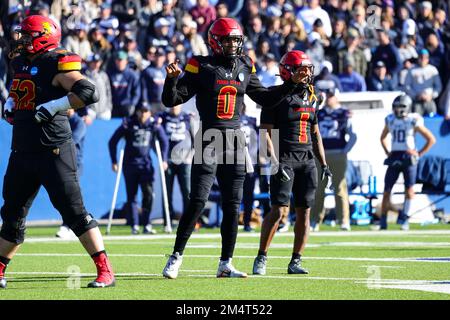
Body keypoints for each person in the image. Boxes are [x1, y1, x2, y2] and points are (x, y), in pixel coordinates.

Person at [161, 17, 306, 279]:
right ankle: (176, 256)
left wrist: (291, 84)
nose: (232, 45)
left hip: (235, 139)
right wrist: (171, 80)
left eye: (236, 40)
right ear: (215, 41)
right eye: (228, 40)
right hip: (209, 136)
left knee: (232, 205)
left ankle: (225, 263)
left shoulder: (245, 64)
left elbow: (264, 96)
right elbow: (172, 98)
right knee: (197, 200)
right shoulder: (200, 65)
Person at [0, 15, 114, 289]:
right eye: (22, 35)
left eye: (28, 35)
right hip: (23, 148)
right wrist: (12, 102)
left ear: (43, 36)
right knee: (12, 213)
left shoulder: (57, 61)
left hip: (53, 148)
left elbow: (89, 92)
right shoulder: (20, 61)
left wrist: (53, 107)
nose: (23, 40)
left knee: (74, 212)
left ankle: (105, 270)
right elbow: (22, 89)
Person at [252, 50, 331, 276]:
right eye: (301, 69)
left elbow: (315, 133)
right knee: (278, 212)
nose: (306, 74)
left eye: (308, 69)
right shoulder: (274, 95)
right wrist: (274, 162)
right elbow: (265, 134)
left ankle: (296, 260)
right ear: (288, 71)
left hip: (307, 160)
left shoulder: (312, 96)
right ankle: (261, 257)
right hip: (284, 157)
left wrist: (323, 163)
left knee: (305, 212)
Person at [377, 93, 436, 230]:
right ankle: (383, 220)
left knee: (409, 190)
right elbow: (382, 137)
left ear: (408, 107)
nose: (398, 110)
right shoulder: (390, 119)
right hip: (395, 156)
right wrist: (387, 151)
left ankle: (404, 218)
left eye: (402, 106)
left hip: (409, 157)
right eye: (396, 107)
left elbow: (431, 139)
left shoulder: (413, 120)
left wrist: (419, 153)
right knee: (387, 190)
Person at [108, 105, 168, 234]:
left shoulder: (153, 124)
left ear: (150, 112)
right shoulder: (128, 123)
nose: (143, 114)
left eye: (146, 111)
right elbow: (112, 141)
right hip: (130, 165)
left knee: (148, 194)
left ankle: (147, 224)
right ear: (137, 112)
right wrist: (114, 161)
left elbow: (164, 141)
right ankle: (134, 225)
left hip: (146, 165)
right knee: (132, 196)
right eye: (141, 111)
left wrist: (164, 159)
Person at [311, 86, 357, 232]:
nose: (329, 98)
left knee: (339, 188)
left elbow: (353, 135)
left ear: (337, 97)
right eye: (328, 95)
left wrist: (345, 150)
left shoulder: (344, 113)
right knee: (318, 189)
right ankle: (315, 220)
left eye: (331, 95)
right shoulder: (319, 112)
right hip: (321, 155)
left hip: (337, 153)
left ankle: (344, 220)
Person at [157, 105, 195, 229]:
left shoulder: (186, 117)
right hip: (168, 161)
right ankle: (167, 221)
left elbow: (195, 138)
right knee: (167, 192)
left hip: (184, 160)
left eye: (176, 104)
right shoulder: (162, 117)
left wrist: (191, 155)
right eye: (172, 105)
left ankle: (189, 222)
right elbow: (156, 135)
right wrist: (161, 158)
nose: (174, 107)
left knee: (187, 192)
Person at [56, 108, 87, 239]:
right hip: (62, 161)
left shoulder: (79, 122)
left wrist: (55, 146)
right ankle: (72, 225)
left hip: (74, 162)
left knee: (72, 194)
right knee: (63, 194)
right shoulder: (61, 120)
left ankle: (69, 226)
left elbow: (72, 141)